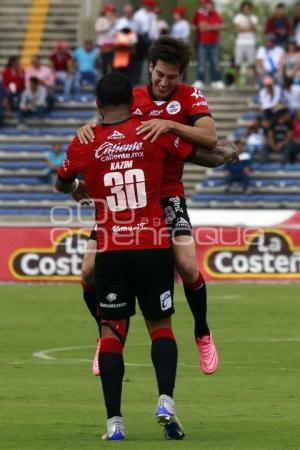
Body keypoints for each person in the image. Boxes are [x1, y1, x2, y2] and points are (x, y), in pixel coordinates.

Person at [55, 72, 239, 441]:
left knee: (112, 331)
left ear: (97, 105)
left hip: (112, 246)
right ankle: (166, 402)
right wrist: (228, 153)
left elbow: (61, 181)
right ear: (134, 100)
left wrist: (76, 185)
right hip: (153, 245)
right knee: (160, 327)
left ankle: (115, 424)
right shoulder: (154, 134)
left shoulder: (85, 142)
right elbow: (202, 154)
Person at [77, 37, 222, 379]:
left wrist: (171, 124)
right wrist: (87, 128)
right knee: (87, 271)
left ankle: (202, 332)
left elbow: (210, 137)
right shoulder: (133, 98)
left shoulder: (190, 97)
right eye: (160, 75)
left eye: (172, 77)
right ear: (150, 69)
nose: (164, 82)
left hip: (168, 194)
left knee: (187, 266)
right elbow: (106, 128)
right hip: (128, 199)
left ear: (180, 75)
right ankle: (104, 336)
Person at [192, 0, 224, 89]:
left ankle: (216, 80)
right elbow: (200, 27)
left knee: (215, 63)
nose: (208, 7)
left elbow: (219, 26)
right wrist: (213, 26)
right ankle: (200, 80)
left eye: (210, 5)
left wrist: (208, 27)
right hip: (203, 43)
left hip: (214, 43)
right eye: (207, 5)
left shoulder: (216, 14)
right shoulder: (200, 14)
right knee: (201, 63)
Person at [233, 1, 258, 84]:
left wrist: (249, 18)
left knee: (253, 63)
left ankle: (256, 82)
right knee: (237, 63)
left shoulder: (253, 17)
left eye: (248, 8)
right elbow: (237, 30)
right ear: (242, 9)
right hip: (240, 42)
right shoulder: (238, 17)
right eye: (244, 8)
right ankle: (236, 82)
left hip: (251, 42)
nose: (246, 10)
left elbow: (254, 29)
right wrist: (248, 29)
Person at [94, 4, 117, 76]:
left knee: (112, 64)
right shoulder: (100, 20)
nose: (111, 12)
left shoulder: (115, 19)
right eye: (110, 11)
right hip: (102, 45)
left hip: (112, 45)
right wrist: (109, 24)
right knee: (104, 64)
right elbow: (98, 29)